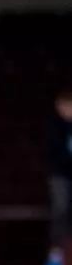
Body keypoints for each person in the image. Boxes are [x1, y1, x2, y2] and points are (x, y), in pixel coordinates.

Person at [49, 92, 72, 244]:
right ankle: (57, 248)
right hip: (60, 174)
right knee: (60, 208)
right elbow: (55, 153)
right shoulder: (55, 126)